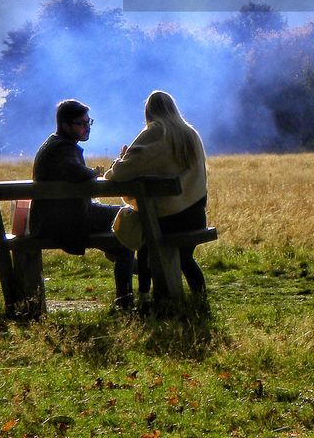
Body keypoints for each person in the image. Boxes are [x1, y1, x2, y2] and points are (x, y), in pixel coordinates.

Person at [30, 98, 136, 308]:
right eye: (82, 123)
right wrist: (95, 172)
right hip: (67, 223)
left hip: (57, 218)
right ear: (66, 125)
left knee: (125, 216)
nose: (87, 128)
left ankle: (136, 270)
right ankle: (126, 298)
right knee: (126, 227)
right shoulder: (63, 148)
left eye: (89, 122)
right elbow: (78, 173)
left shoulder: (54, 144)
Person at [104, 90, 209, 298]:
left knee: (144, 232)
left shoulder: (156, 131)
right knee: (185, 258)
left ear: (149, 112)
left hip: (168, 219)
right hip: (196, 216)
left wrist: (119, 160)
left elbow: (123, 171)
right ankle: (200, 298)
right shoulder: (190, 133)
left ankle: (143, 295)